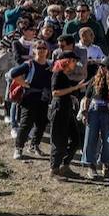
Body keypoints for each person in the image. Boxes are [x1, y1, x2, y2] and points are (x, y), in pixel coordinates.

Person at [8, 40, 53, 160]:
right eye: (39, 48)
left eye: (44, 48)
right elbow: (12, 74)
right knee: (26, 124)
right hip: (29, 98)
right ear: (34, 50)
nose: (41, 50)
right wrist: (23, 84)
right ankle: (18, 148)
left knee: (42, 124)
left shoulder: (50, 65)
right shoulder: (29, 64)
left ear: (47, 50)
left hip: (43, 99)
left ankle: (34, 145)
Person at [48, 51, 87, 179]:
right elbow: (55, 92)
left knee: (76, 139)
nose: (75, 64)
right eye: (73, 61)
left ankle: (64, 166)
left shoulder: (64, 75)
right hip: (59, 109)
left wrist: (71, 96)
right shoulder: (58, 74)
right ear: (66, 61)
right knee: (59, 140)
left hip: (67, 108)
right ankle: (54, 169)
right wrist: (75, 88)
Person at [80, 63, 109, 179]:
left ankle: (106, 163)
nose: (102, 68)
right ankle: (91, 165)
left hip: (108, 111)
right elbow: (87, 97)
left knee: (108, 140)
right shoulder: (94, 80)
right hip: (94, 110)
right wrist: (85, 112)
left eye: (105, 66)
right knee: (91, 138)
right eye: (101, 66)